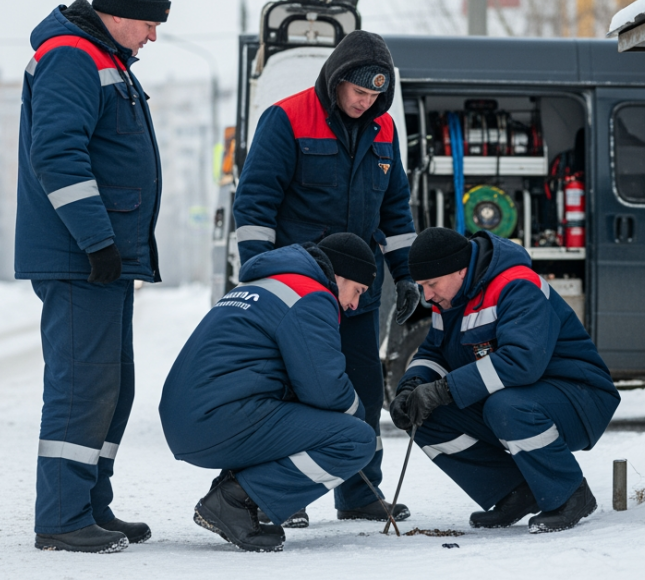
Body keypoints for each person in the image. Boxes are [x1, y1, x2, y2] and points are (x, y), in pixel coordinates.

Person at [232, 30, 419, 525]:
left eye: (377, 96)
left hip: (359, 291)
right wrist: (258, 278)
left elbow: (396, 213)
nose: (366, 102)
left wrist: (406, 278)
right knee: (290, 389)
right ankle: (276, 496)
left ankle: (360, 492)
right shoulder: (287, 119)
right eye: (359, 92)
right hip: (297, 289)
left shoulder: (383, 133)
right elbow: (253, 208)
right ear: (336, 80)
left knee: (363, 386)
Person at [15, 0, 168, 553]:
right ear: (122, 12)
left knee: (113, 386)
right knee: (82, 387)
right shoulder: (72, 57)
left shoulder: (106, 61)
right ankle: (60, 517)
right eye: (151, 23)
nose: (153, 36)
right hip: (80, 257)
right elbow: (56, 155)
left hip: (104, 256)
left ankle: (89, 506)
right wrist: (96, 240)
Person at [159, 234, 382, 552]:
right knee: (355, 440)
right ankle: (234, 501)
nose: (354, 304)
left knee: (295, 408)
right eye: (357, 291)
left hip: (193, 418)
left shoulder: (265, 285)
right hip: (215, 419)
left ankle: (234, 491)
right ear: (340, 275)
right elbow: (324, 388)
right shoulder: (310, 295)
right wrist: (358, 417)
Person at [389, 228, 620, 533]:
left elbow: (521, 362)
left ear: (461, 270)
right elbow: (433, 352)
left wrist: (444, 389)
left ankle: (570, 495)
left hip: (580, 397)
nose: (427, 295)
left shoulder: (516, 284)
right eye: (422, 286)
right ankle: (514, 492)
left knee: (505, 407)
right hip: (524, 397)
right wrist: (411, 386)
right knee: (425, 414)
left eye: (431, 284)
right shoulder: (448, 300)